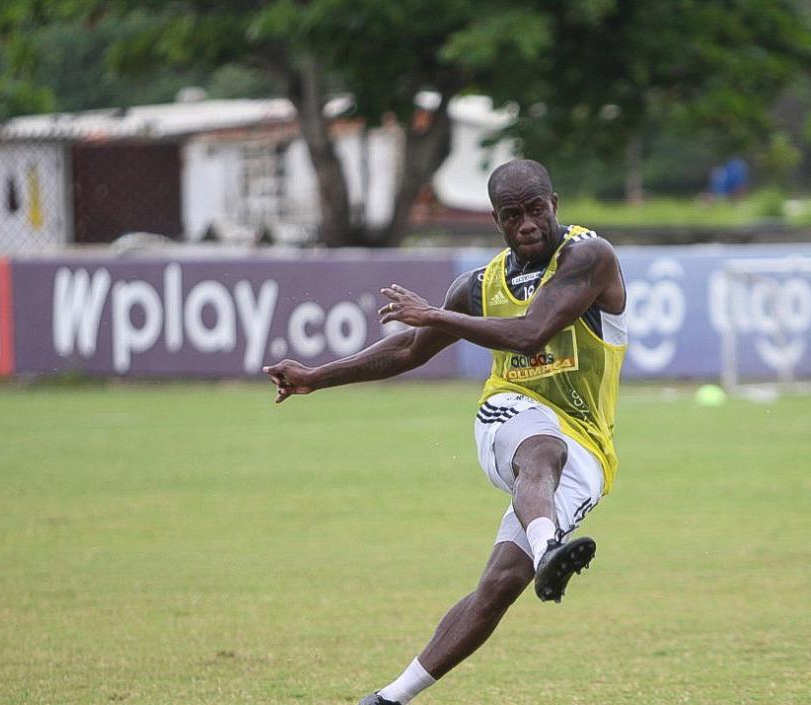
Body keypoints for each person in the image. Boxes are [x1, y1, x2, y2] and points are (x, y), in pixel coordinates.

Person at [263, 159, 628, 704]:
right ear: (496, 221)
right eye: (512, 216)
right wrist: (316, 377)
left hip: (588, 445)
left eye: (535, 210)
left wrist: (435, 315)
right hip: (510, 412)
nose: (527, 224)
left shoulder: (589, 256)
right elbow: (409, 351)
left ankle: (388, 698)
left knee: (499, 586)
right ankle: (549, 546)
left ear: (554, 205)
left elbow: (531, 332)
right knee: (540, 446)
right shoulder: (479, 286)